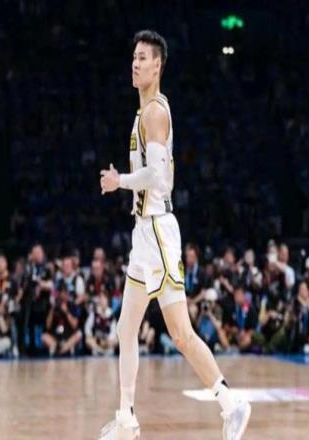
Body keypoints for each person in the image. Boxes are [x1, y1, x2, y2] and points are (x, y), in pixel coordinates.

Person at [99, 30, 250, 440]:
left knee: (180, 333)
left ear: (158, 65)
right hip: (144, 233)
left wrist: (119, 181)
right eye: (133, 57)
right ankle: (126, 419)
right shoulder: (143, 111)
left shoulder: (154, 113)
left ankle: (231, 403)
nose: (135, 63)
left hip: (158, 232)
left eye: (142, 57)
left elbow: (157, 175)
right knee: (126, 329)